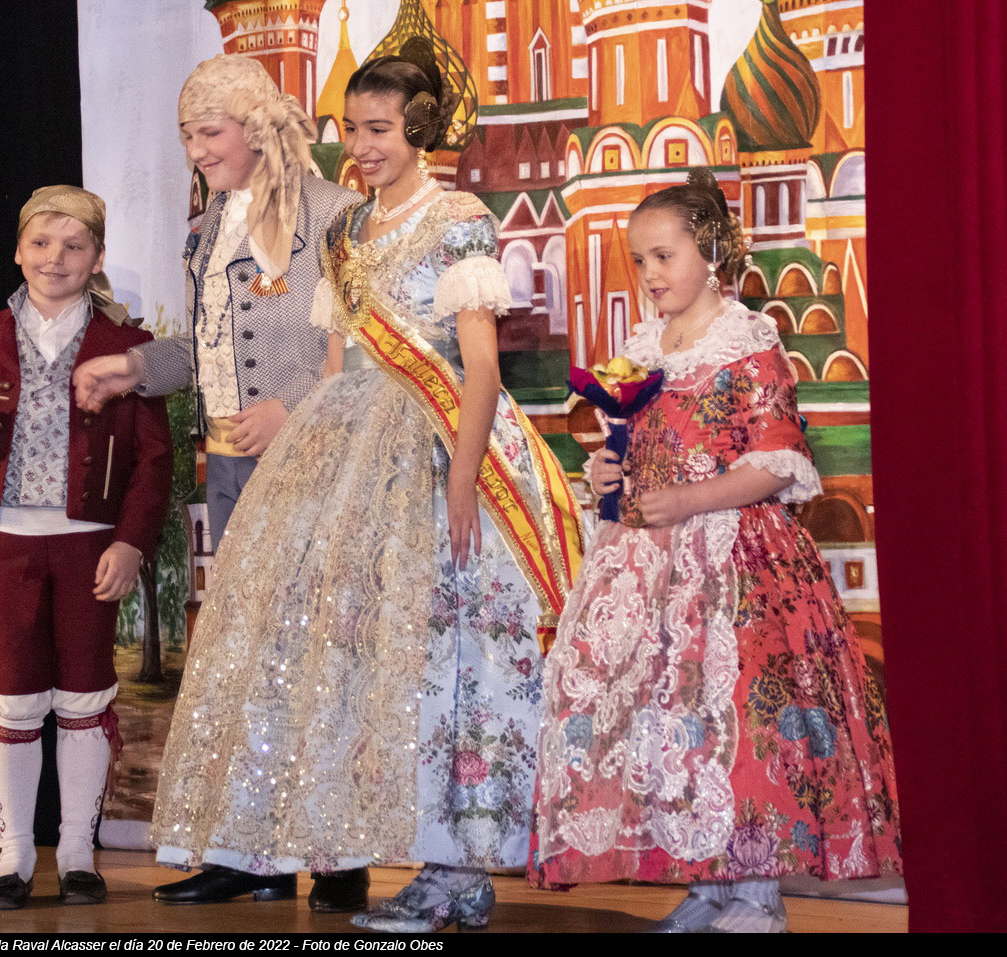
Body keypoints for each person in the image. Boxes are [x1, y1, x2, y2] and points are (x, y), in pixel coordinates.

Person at [145, 41, 584, 933]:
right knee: (362, 655)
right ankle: (357, 848)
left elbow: (482, 369)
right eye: (352, 128)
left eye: (380, 128)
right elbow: (337, 359)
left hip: (440, 448)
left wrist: (463, 482)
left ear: (418, 129)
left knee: (452, 656)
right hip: (348, 447)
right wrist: (311, 474)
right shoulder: (346, 231)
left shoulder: (458, 218)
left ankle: (460, 866)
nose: (363, 145)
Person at [529, 170, 901, 932]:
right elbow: (630, 444)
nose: (650, 274)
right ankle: (706, 875)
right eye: (640, 260)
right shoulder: (642, 348)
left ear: (710, 253)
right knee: (670, 720)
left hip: (734, 561)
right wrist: (607, 470)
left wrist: (691, 499)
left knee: (732, 714)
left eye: (664, 256)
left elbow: (778, 461)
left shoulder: (747, 340)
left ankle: (756, 892)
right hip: (647, 563)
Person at [72, 55, 365, 911]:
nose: (197, 150)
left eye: (210, 132)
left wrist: (294, 407)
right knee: (245, 659)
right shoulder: (207, 229)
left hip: (316, 461)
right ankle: (252, 853)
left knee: (317, 650)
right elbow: (203, 355)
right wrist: (133, 366)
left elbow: (374, 346)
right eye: (187, 136)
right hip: (233, 469)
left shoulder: (336, 218)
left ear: (258, 126)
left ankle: (337, 855)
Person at [0, 186, 173, 909]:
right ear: (17, 250)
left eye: (73, 246)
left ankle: (76, 854)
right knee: (12, 694)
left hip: (88, 542)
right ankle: (13, 857)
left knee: (85, 692)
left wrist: (131, 542)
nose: (54, 258)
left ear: (97, 257)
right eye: (40, 242)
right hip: (2, 541)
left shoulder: (129, 348)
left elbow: (154, 460)